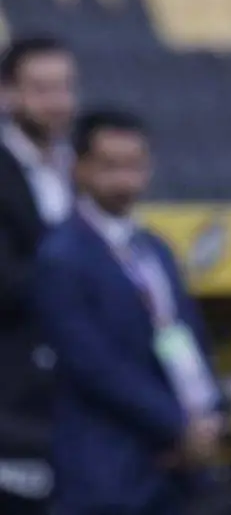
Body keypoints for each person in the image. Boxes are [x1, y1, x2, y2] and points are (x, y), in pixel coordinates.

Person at [36, 110, 222, 515]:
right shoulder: (61, 256)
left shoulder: (154, 249)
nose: (124, 180)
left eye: (135, 166)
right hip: (106, 469)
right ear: (80, 168)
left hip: (175, 470)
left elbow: (186, 335)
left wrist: (206, 415)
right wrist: (175, 424)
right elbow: (92, 364)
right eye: (110, 166)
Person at [0, 38, 76, 515]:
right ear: (7, 94)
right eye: (42, 89)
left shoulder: (76, 168)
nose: (57, 102)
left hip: (64, 397)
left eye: (65, 88)